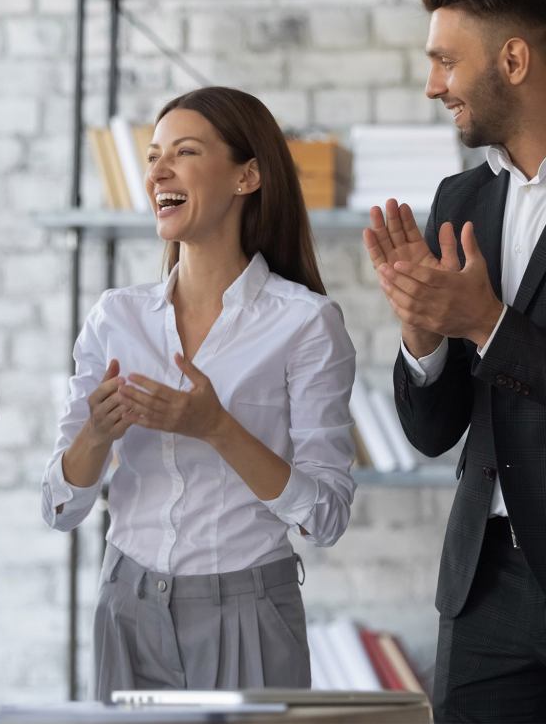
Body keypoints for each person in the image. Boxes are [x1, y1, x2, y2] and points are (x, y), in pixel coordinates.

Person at [43, 86, 356, 698]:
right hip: (126, 605)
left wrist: (217, 428)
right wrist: (96, 435)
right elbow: (59, 508)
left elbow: (325, 517)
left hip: (249, 611)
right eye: (153, 154)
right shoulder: (116, 317)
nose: (157, 170)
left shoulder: (306, 322)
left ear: (247, 176)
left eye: (184, 152)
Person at [364, 0, 546, 722]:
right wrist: (421, 334)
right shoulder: (460, 198)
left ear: (513, 59)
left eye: (445, 61)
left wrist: (484, 323)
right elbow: (434, 431)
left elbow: (495, 337)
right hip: (484, 589)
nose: (434, 86)